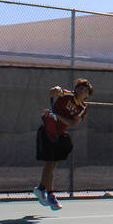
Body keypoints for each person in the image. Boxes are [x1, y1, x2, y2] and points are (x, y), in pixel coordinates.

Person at [33, 78, 93, 211]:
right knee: (50, 164)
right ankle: (50, 195)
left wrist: (58, 116)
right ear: (75, 89)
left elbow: (72, 123)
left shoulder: (82, 108)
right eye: (80, 88)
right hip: (48, 131)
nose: (82, 90)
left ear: (87, 95)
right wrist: (56, 90)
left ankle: (41, 188)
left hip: (59, 134)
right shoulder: (67, 94)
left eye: (85, 90)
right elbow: (52, 92)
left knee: (52, 165)